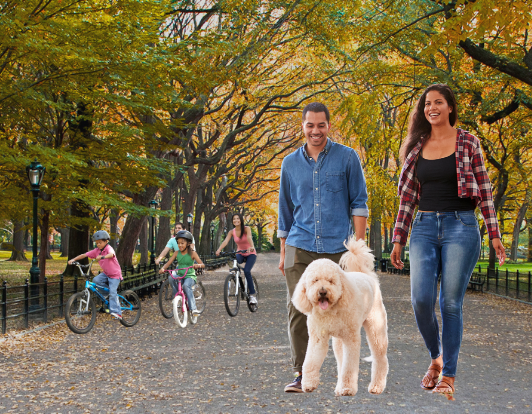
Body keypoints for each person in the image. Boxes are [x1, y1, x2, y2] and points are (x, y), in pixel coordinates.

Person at [390, 84, 506, 398]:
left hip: (461, 227)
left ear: (450, 107)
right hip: (424, 228)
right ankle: (436, 357)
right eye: (427, 104)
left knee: (450, 303)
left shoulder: (469, 142)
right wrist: (398, 239)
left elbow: (484, 191)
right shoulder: (416, 147)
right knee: (421, 301)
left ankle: (449, 377)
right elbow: (407, 199)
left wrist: (494, 235)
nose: (432, 108)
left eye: (439, 102)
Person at [278, 102, 369, 393]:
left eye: (321, 125)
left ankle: (346, 373)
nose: (315, 131)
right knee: (298, 310)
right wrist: (283, 254)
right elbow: (285, 211)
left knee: (343, 309)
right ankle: (302, 373)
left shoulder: (347, 158)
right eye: (309, 125)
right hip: (298, 245)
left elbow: (359, 203)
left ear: (329, 126)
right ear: (302, 127)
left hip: (336, 249)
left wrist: (358, 247)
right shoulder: (289, 164)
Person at [68, 230, 123, 320]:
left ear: (106, 241)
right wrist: (73, 260)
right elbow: (84, 255)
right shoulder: (96, 251)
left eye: (100, 242)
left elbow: (111, 254)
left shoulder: (108, 248)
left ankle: (117, 312)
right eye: (96, 243)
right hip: (106, 273)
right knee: (96, 280)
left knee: (113, 292)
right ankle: (108, 295)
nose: (98, 244)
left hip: (115, 275)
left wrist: (103, 257)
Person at [159, 230, 204, 316]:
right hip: (180, 275)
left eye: (182, 243)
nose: (180, 245)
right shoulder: (176, 253)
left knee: (186, 286)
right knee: (171, 278)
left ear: (188, 243)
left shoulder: (192, 253)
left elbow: (202, 264)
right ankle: (177, 297)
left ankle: (193, 308)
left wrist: (198, 265)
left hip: (189, 276)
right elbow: (168, 263)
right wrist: (163, 268)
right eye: (178, 243)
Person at [216, 212, 258, 304]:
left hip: (250, 253)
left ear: (241, 220)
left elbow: (250, 237)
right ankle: (236, 277)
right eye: (234, 219)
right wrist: (219, 249)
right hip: (240, 253)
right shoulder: (232, 232)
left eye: (237, 218)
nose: (236, 220)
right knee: (235, 261)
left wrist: (251, 247)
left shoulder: (247, 229)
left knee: (247, 271)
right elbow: (226, 241)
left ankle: (252, 295)